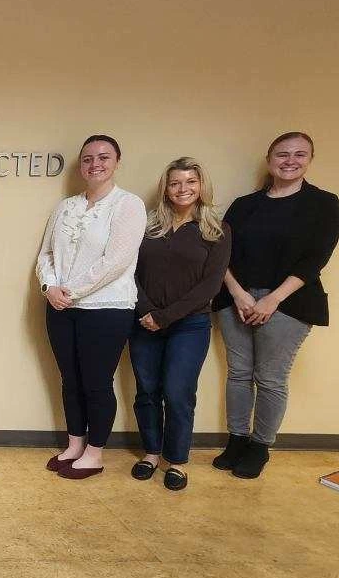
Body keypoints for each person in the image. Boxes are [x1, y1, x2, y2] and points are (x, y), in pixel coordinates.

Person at [211, 132, 339, 479]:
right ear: (269, 160)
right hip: (236, 299)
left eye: (300, 154)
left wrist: (272, 299)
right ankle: (237, 440)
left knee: (269, 377)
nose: (290, 160)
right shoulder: (245, 205)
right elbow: (221, 253)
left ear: (310, 160)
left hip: (289, 303)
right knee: (238, 374)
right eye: (282, 154)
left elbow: (316, 259)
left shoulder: (324, 204)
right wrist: (239, 294)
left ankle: (260, 446)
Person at [37, 135, 147, 479]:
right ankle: (75, 444)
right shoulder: (65, 207)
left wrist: (71, 291)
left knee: (97, 382)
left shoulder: (128, 205)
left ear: (116, 161)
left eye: (103, 157)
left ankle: (95, 453)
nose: (95, 164)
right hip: (60, 307)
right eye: (87, 158)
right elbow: (47, 255)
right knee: (70, 380)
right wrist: (49, 287)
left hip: (106, 308)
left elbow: (116, 260)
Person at [129, 158, 231, 491]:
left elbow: (210, 285)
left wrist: (164, 316)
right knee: (147, 391)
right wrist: (147, 310)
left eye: (190, 182)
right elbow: (129, 270)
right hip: (143, 320)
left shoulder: (216, 230)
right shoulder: (148, 225)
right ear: (166, 188)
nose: (182, 189)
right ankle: (151, 453)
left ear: (201, 186)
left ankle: (177, 461)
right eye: (175, 183)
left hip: (190, 324)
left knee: (177, 393)